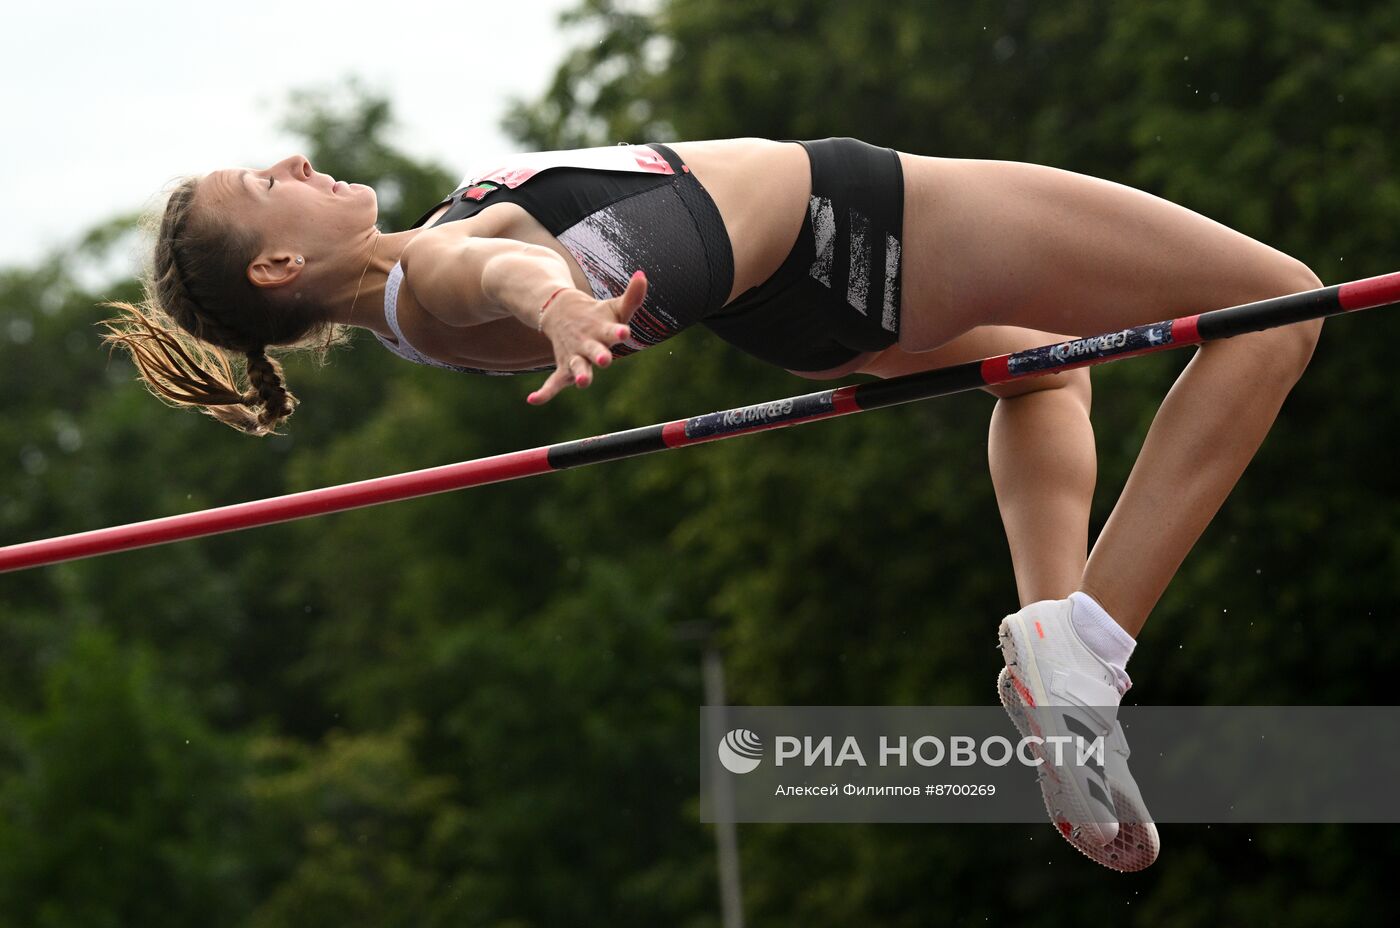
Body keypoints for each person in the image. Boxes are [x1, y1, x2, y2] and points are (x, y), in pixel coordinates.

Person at [103, 137, 1324, 870]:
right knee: (1278, 306)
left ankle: (1057, 654)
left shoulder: (406, 308)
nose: (297, 164)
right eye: (269, 183)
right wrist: (557, 307)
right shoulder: (426, 271)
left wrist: (550, 298)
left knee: (1045, 372)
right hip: (865, 222)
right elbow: (498, 265)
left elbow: (490, 258)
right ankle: (1088, 644)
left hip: (792, 306)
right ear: (276, 267)